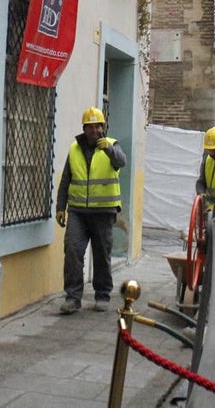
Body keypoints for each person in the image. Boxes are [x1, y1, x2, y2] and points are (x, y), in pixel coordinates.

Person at [56, 106, 127, 314]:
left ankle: (102, 295)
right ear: (84, 128)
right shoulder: (74, 149)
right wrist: (61, 207)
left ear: (103, 128)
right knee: (72, 250)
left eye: (99, 126)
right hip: (78, 212)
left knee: (101, 252)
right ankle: (72, 297)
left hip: (103, 212)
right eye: (91, 127)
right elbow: (66, 180)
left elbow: (121, 162)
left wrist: (109, 149)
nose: (95, 131)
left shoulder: (112, 145)